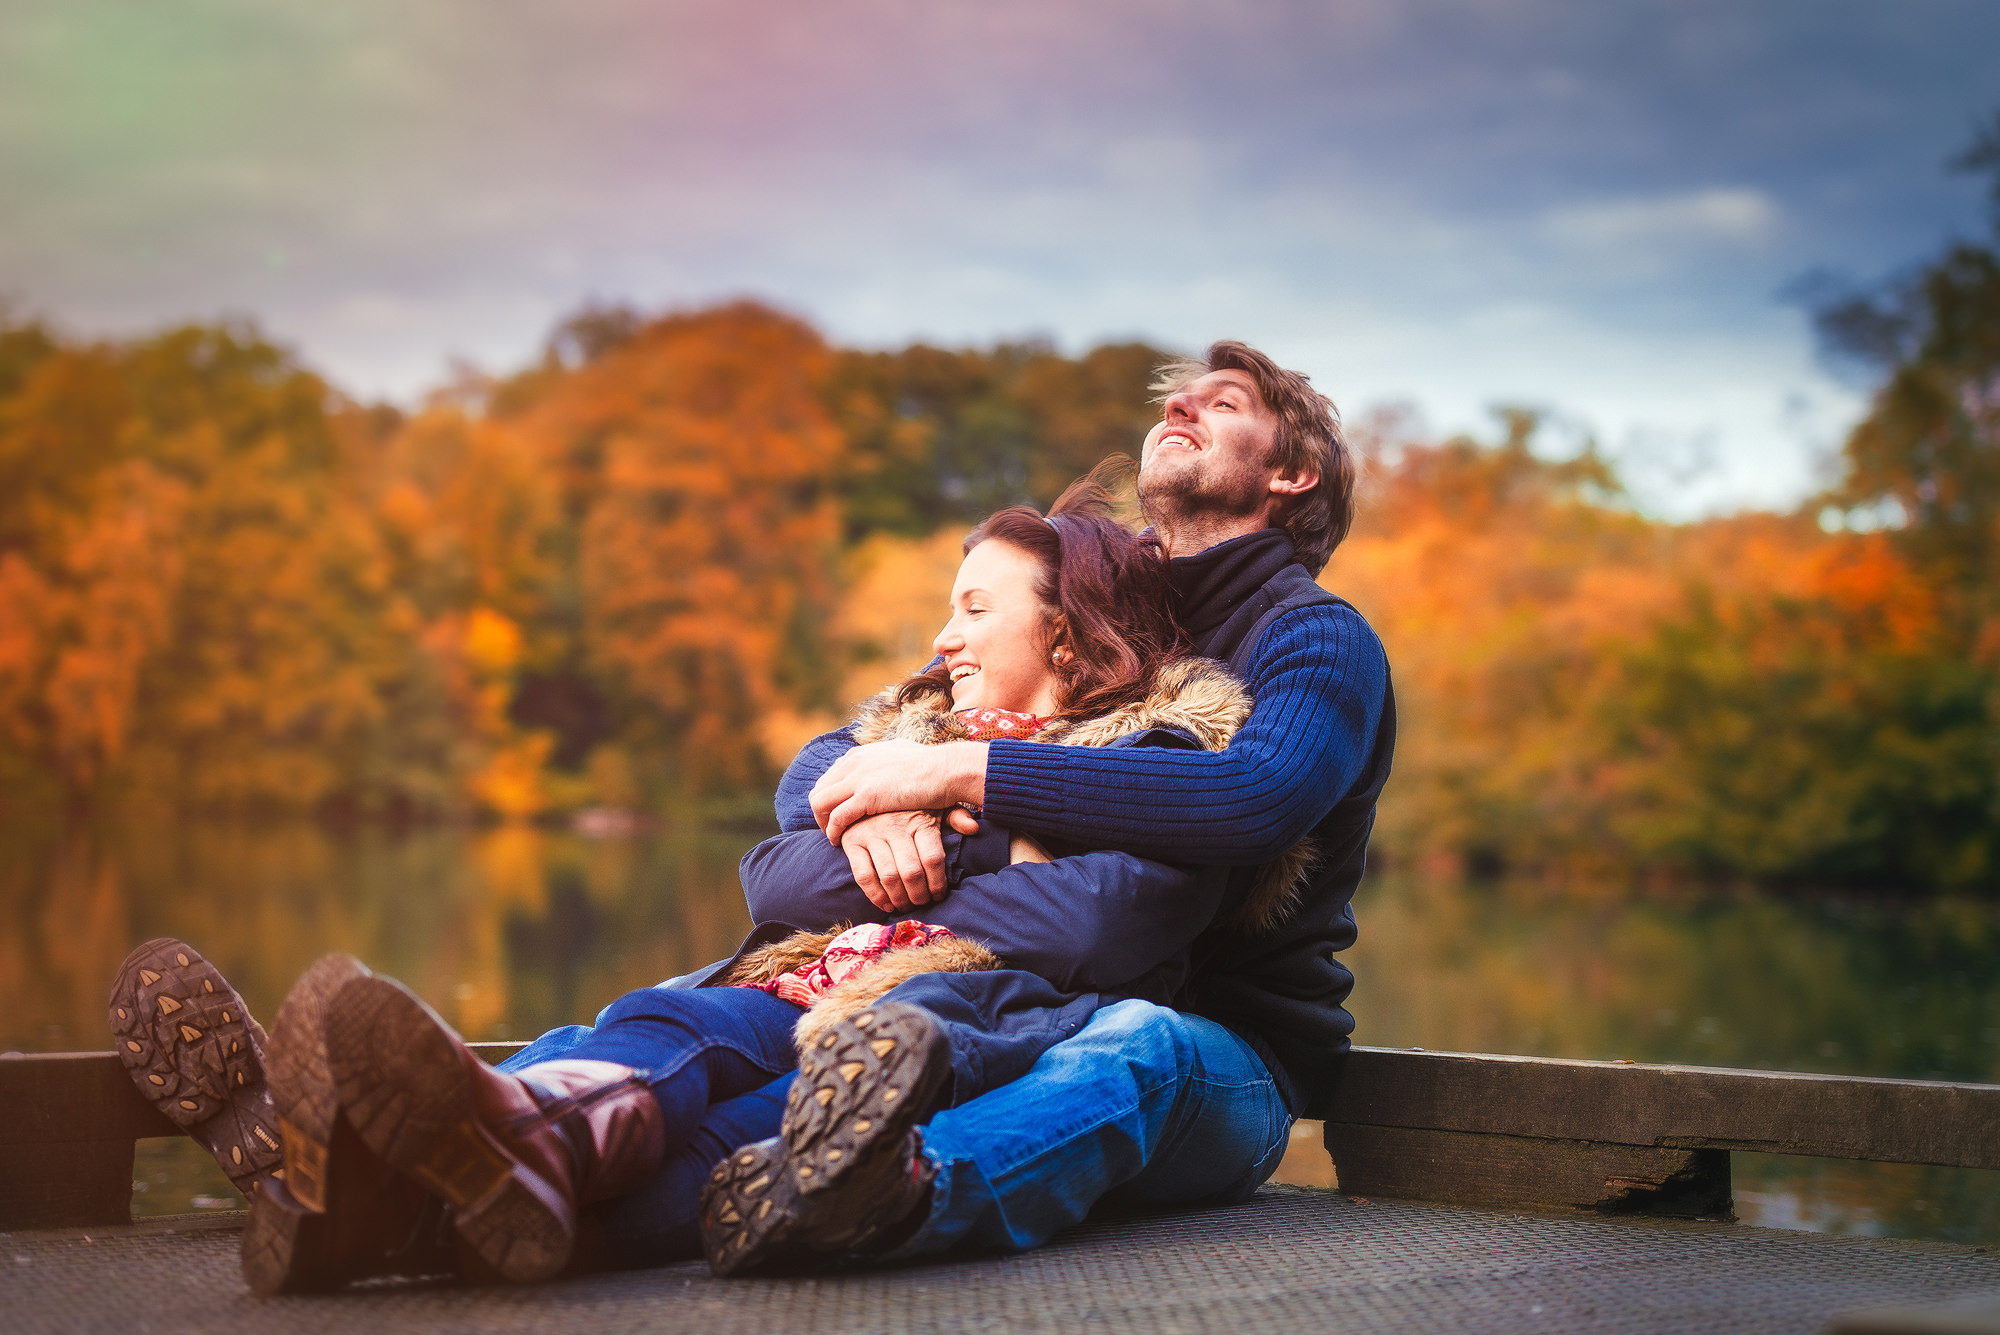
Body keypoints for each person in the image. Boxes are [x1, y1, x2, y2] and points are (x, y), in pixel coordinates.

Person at [108, 484, 1273, 1291]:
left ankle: (355, 1186)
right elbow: (777, 875)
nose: (943, 637)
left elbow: (1103, 917)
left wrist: (921, 857)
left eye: (975, 608)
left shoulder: (1156, 760)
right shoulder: (894, 745)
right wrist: (971, 849)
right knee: (671, 1022)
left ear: (1069, 631)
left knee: (745, 1135)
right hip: (777, 987)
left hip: (940, 1020)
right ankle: (484, 1140)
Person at [702, 340, 1395, 1272]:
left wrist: (960, 776)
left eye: (1223, 404)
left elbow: (1251, 800)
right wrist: (888, 806)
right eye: (1176, 397)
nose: (1181, 404)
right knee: (728, 1004)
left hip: (1225, 1050)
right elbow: (837, 758)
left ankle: (895, 1193)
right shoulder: (1093, 600)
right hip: (1017, 998)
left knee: (1135, 1042)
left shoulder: (1318, 638)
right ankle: (581, 1145)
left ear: (1291, 472)